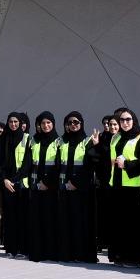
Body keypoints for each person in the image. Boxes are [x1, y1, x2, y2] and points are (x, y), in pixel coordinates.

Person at [107, 108, 140, 267]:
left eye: (128, 119)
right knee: (119, 223)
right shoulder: (116, 137)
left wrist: (126, 164)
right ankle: (119, 256)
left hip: (133, 186)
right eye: (122, 120)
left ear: (134, 120)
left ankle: (135, 259)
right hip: (116, 185)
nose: (125, 123)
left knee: (134, 225)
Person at [57, 111, 96, 263]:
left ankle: (81, 254)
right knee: (66, 222)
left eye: (76, 122)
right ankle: (68, 253)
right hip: (64, 188)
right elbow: (58, 164)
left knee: (81, 222)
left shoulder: (87, 141)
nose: (73, 125)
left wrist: (75, 183)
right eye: (70, 123)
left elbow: (89, 166)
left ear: (81, 124)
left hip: (81, 189)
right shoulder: (61, 141)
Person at [24, 112, 60, 263]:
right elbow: (27, 163)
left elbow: (58, 165)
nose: (46, 126)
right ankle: (37, 252)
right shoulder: (33, 141)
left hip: (51, 188)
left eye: (48, 123)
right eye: (43, 123)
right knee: (36, 220)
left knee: (50, 220)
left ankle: (51, 252)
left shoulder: (59, 141)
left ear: (53, 124)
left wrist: (47, 183)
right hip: (35, 187)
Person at [0, 113, 30, 259]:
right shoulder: (4, 139)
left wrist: (14, 180)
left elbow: (28, 163)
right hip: (7, 184)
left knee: (22, 217)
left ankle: (22, 249)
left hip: (21, 184)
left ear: (20, 123)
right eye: (11, 121)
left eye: (16, 121)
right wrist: (4, 180)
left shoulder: (27, 138)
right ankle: (10, 248)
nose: (13, 124)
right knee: (9, 218)